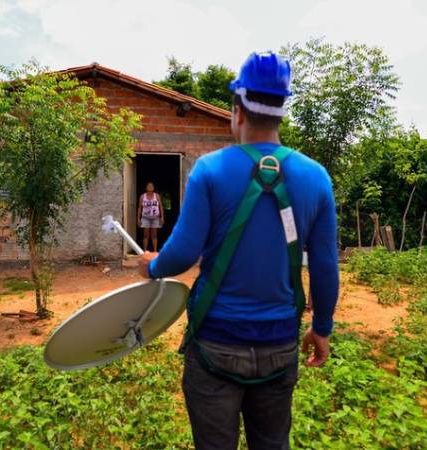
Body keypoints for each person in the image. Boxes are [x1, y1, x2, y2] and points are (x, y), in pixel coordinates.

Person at [139, 51, 339, 450]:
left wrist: (150, 267)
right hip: (280, 345)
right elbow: (325, 266)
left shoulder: (210, 170)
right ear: (282, 109)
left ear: (237, 110)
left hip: (215, 345)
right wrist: (322, 328)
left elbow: (181, 254)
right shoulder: (316, 177)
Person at [137, 181, 165, 252]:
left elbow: (160, 206)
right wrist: (138, 219)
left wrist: (162, 217)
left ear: (153, 188)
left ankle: (155, 251)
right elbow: (140, 208)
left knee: (154, 235)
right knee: (146, 235)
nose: (150, 187)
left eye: (151, 186)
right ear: (146, 188)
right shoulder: (142, 196)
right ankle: (144, 251)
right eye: (148, 186)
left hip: (155, 218)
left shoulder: (157, 196)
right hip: (145, 218)